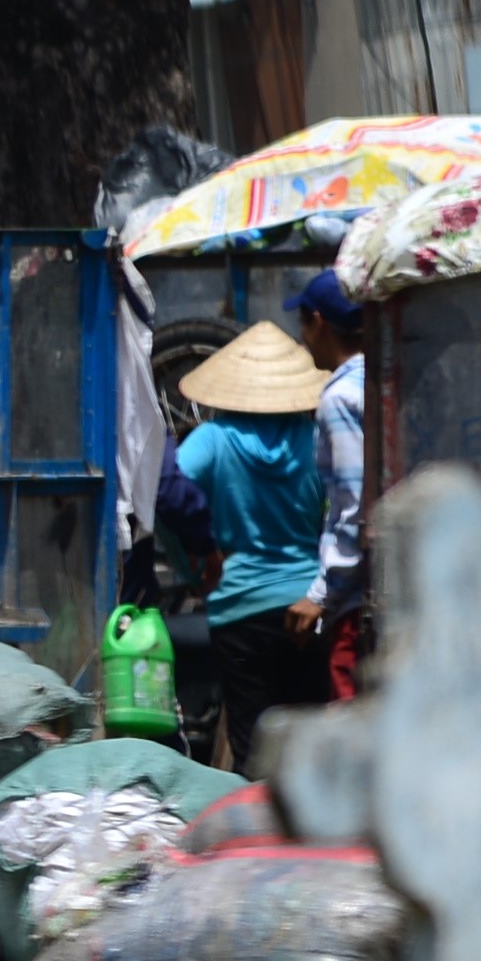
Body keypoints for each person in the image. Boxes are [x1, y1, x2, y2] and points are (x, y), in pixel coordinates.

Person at [165, 323, 338, 762]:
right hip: (308, 604)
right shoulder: (315, 437)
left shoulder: (214, 439)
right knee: (311, 746)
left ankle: (257, 829)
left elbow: (166, 492)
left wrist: (193, 561)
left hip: (238, 608)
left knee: (252, 746)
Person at [291, 268, 372, 698]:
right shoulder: (381, 378)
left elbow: (356, 504)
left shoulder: (340, 398)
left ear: (318, 322)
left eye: (302, 324)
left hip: (359, 601)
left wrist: (322, 593)